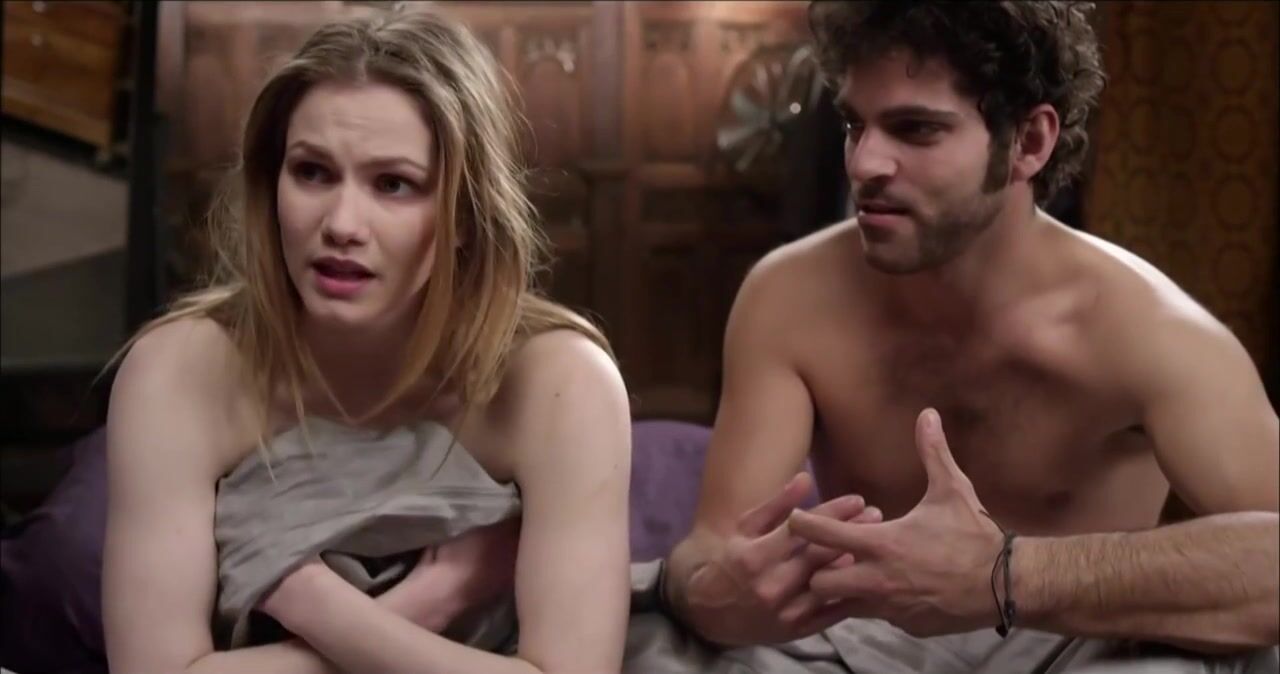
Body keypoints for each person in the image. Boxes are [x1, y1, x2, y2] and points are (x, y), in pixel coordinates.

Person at [651, 1, 1279, 671]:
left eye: (916, 129)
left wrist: (1005, 574)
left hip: (1074, 641)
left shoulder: (1152, 332)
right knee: (651, 635)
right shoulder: (788, 296)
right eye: (855, 124)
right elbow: (713, 552)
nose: (864, 163)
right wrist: (711, 592)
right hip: (853, 642)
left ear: (1029, 143)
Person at [102, 7, 631, 674]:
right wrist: (429, 602)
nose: (342, 224)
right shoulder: (176, 371)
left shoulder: (563, 383)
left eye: (394, 184)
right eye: (313, 172)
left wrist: (317, 604)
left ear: (466, 214)